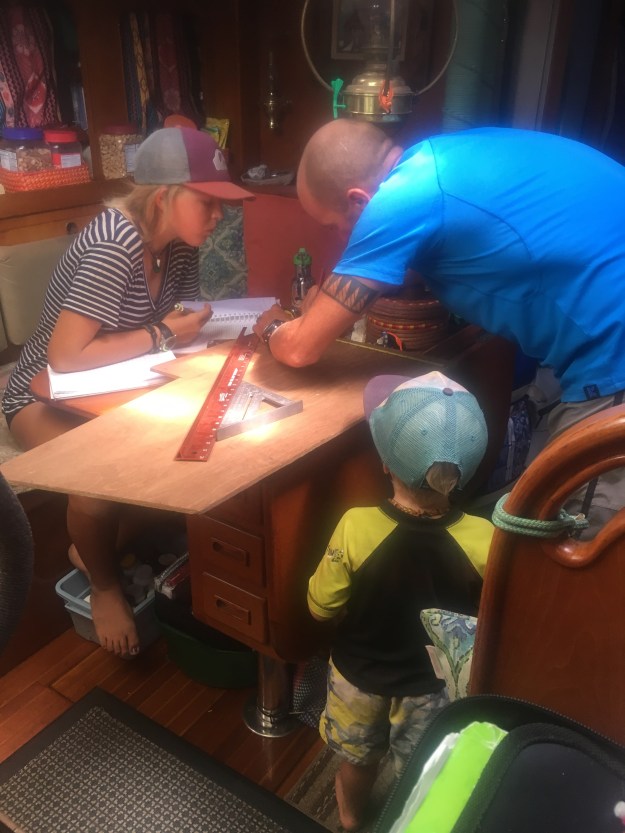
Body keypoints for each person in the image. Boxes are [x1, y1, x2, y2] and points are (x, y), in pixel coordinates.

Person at [254, 119, 625, 534]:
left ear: (359, 201)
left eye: (333, 225)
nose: (341, 238)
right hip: (603, 325)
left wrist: (273, 327)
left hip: (613, 356)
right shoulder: (440, 162)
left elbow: (300, 349)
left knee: (583, 542)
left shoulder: (402, 196)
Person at [1, 126, 253, 658]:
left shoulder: (180, 246)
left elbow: (179, 324)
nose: (218, 216)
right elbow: (65, 357)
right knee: (100, 478)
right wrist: (162, 333)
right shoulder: (114, 241)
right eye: (207, 202)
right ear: (163, 198)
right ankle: (104, 585)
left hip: (116, 386)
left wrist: (192, 335)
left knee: (180, 465)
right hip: (38, 396)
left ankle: (94, 547)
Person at [307, 370, 494, 831]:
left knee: (357, 761)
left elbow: (320, 606)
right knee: (416, 769)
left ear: (386, 465)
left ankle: (350, 820)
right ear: (464, 473)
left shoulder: (355, 526)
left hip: (357, 676)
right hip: (431, 687)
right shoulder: (485, 539)